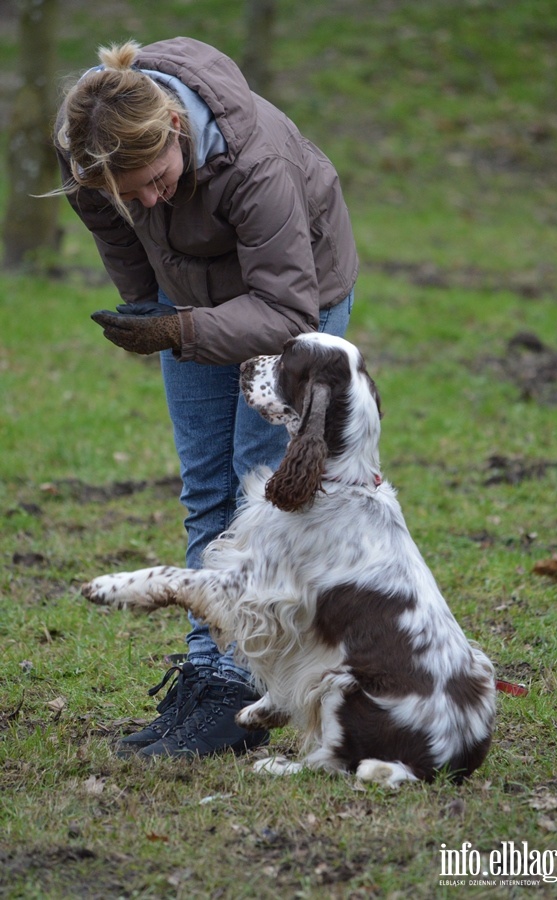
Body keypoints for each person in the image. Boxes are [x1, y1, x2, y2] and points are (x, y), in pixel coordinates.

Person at [54, 37, 358, 759]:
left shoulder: (258, 164)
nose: (149, 201)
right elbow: (105, 219)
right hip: (189, 297)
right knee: (205, 491)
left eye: (157, 180)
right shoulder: (87, 151)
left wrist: (175, 327)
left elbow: (287, 311)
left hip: (294, 304)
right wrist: (141, 306)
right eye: (131, 195)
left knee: (257, 500)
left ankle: (239, 688)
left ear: (175, 131)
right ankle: (207, 673)